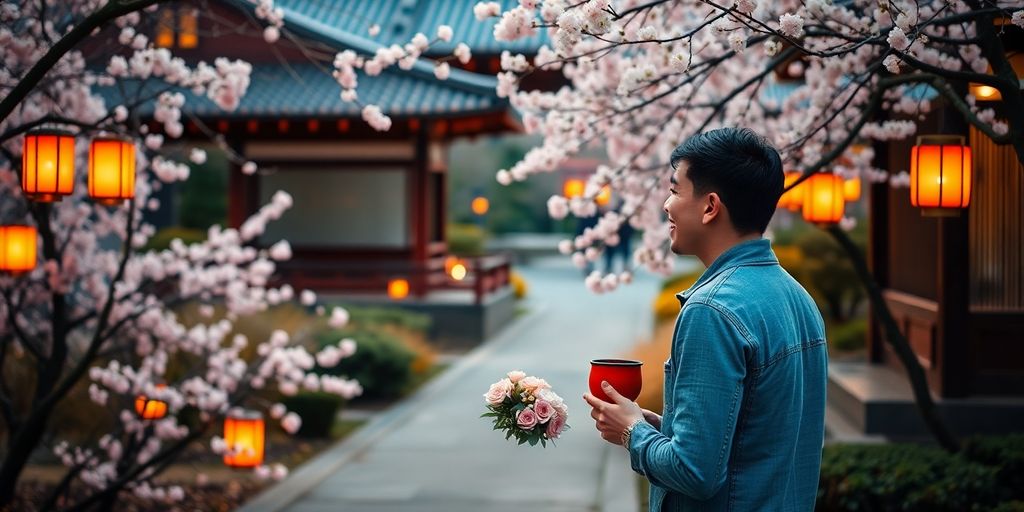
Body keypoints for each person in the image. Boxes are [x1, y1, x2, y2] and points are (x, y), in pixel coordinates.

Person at [583, 127, 827, 511]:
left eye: (675, 190)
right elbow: (752, 438)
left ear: (710, 206)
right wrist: (653, 427)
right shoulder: (799, 298)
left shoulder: (711, 310)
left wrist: (632, 433)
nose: (666, 204)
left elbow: (694, 472)